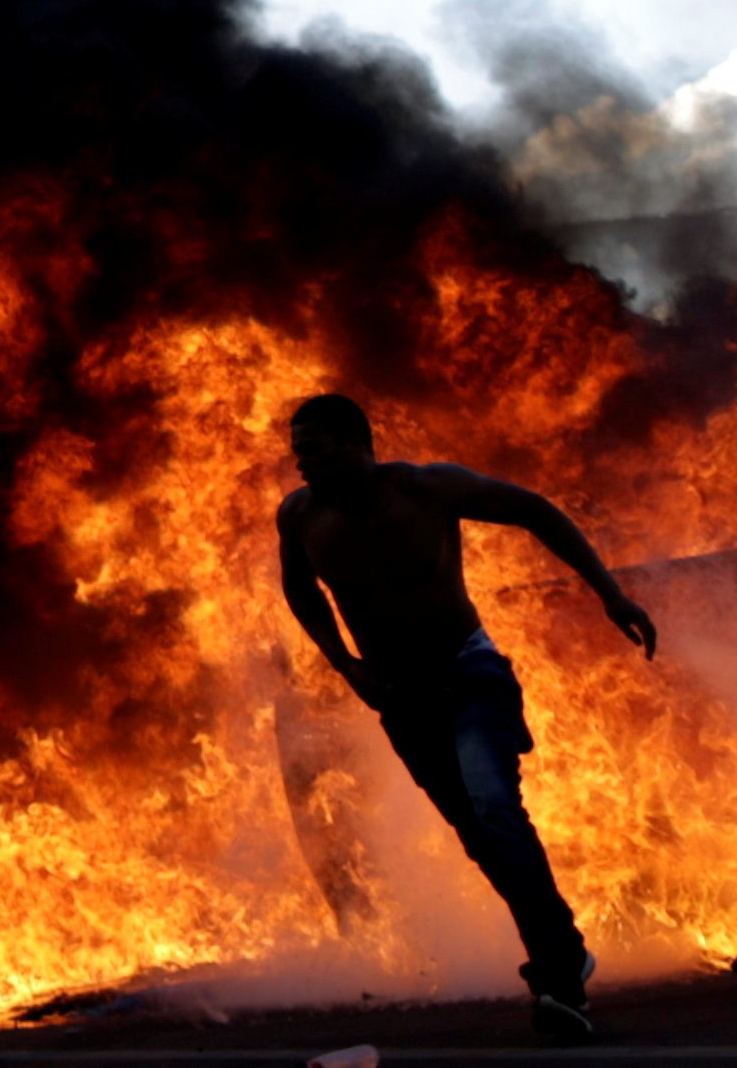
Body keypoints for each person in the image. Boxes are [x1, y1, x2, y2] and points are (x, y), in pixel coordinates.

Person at [278, 393, 657, 1042]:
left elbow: (535, 510)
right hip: (402, 698)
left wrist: (610, 592)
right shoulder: (300, 516)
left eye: (311, 447)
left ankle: (560, 979)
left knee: (495, 808)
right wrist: (343, 662)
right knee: (482, 838)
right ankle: (563, 948)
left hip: (468, 672)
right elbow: (300, 588)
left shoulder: (428, 489)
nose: (299, 461)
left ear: (352, 442)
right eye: (297, 449)